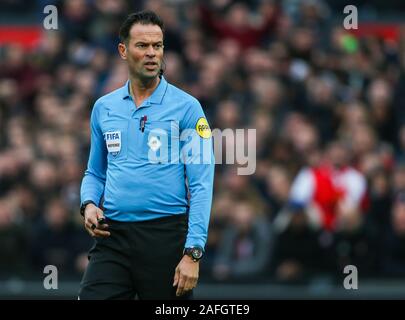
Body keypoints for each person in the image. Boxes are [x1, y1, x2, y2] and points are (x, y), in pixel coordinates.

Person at [78, 11, 215, 300]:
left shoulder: (188, 108)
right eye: (143, 46)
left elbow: (201, 184)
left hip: (164, 238)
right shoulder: (104, 108)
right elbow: (95, 172)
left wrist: (193, 252)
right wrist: (88, 204)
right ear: (123, 51)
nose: (152, 53)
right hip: (113, 236)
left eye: (158, 45)